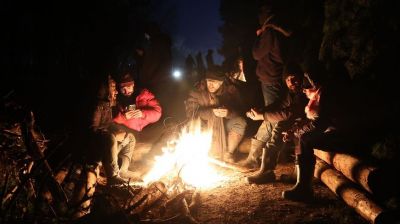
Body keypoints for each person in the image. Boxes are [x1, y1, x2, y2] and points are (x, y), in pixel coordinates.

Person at [281, 65, 358, 201]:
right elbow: (310, 118)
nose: (304, 90)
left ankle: (304, 188)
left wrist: (298, 132)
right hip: (331, 132)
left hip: (341, 135)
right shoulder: (315, 95)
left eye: (306, 86)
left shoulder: (326, 94)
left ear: (314, 82)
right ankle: (299, 176)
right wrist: (293, 130)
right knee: (301, 136)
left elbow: (320, 123)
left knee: (305, 138)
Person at [243, 63, 308, 184]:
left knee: (283, 125)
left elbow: (289, 113)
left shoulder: (304, 91)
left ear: (301, 77)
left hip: (312, 123)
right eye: (288, 79)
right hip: (300, 120)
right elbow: (279, 105)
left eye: (294, 78)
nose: (291, 82)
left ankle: (273, 172)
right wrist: (260, 111)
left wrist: (262, 116)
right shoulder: (291, 93)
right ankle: (267, 171)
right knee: (280, 125)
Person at [247, 2, 292, 170]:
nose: (258, 17)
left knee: (271, 117)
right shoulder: (279, 28)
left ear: (266, 14)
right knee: (273, 116)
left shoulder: (269, 32)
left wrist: (260, 36)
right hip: (276, 77)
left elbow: (256, 53)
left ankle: (256, 157)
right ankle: (268, 157)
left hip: (271, 78)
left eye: (260, 14)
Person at [104, 72, 162, 184]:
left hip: (144, 130)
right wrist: (123, 117)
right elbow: (110, 119)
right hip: (125, 128)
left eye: (129, 87)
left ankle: (123, 169)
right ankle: (117, 170)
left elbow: (158, 113)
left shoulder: (144, 95)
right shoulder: (116, 99)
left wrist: (143, 113)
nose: (127, 91)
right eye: (123, 89)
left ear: (133, 84)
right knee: (127, 138)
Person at [185, 67, 247, 163]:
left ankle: (228, 153)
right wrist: (211, 112)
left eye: (215, 82)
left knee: (240, 122)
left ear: (221, 82)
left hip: (226, 125)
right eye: (209, 81)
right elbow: (191, 113)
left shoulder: (231, 91)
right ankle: (207, 153)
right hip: (205, 125)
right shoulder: (197, 92)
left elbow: (241, 111)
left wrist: (229, 112)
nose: (211, 85)